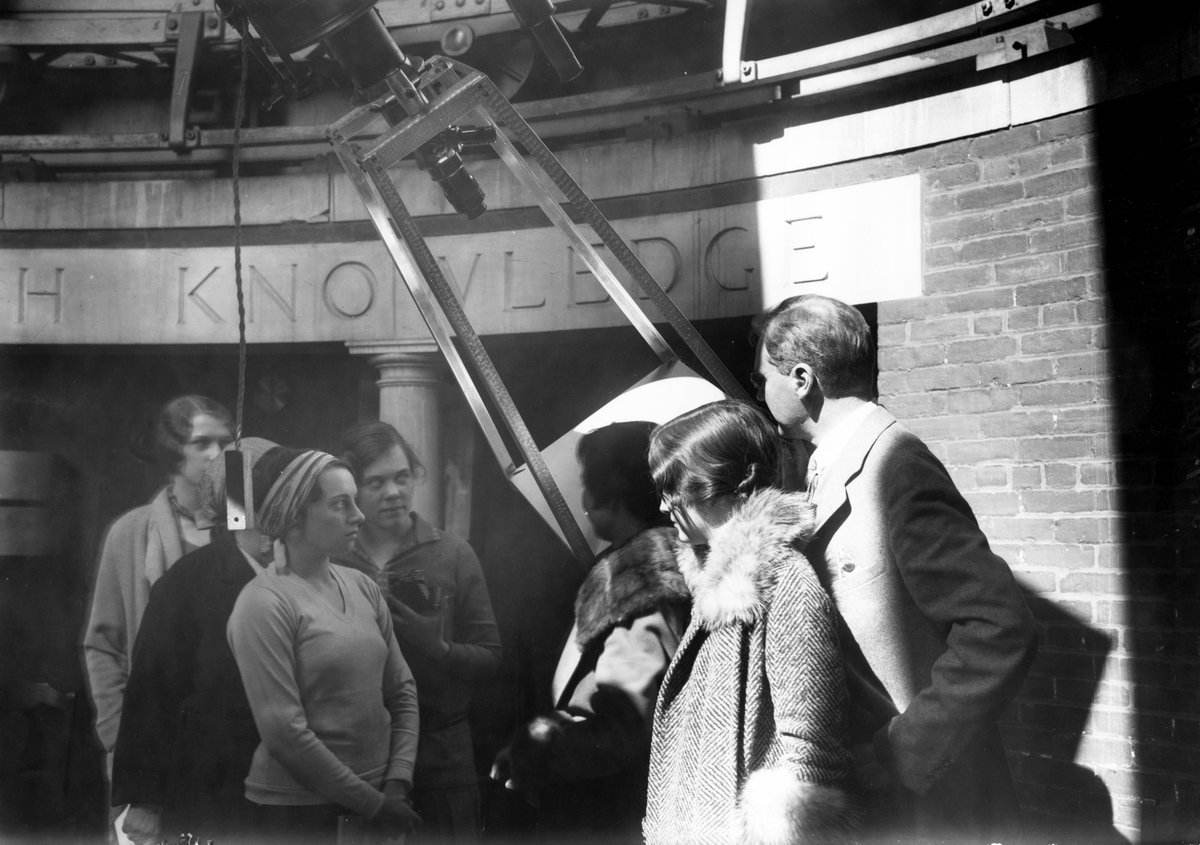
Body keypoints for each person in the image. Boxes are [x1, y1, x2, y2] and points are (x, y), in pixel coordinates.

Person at [752, 293, 1040, 842]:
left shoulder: (896, 466)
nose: (759, 390)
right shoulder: (826, 465)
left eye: (762, 376)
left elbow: (1000, 630)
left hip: (922, 808)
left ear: (802, 379)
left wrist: (901, 753)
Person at [642, 399, 855, 845]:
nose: (664, 507)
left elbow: (812, 749)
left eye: (673, 488)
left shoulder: (781, 577)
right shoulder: (715, 585)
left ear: (736, 480)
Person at [491, 421, 691, 843]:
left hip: (616, 813)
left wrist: (535, 755)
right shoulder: (644, 565)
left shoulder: (640, 582)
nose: (581, 499)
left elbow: (620, 728)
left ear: (611, 495)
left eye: (587, 483)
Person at [226, 447, 421, 845]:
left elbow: (402, 690)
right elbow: (284, 732)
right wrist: (374, 805)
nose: (359, 515)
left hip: (380, 801)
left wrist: (397, 782)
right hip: (298, 814)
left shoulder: (362, 585)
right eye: (340, 504)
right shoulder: (264, 603)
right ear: (296, 515)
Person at [337, 421, 501, 845]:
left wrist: (440, 649)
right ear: (350, 489)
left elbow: (491, 656)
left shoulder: (452, 553)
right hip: (358, 760)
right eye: (375, 482)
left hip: (440, 758)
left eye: (402, 477)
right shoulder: (333, 560)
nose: (393, 491)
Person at [110, 437, 277, 845]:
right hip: (212, 792)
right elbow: (151, 692)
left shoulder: (307, 576)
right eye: (274, 496)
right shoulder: (187, 583)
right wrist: (146, 800)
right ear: (240, 504)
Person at [83, 394, 233, 839]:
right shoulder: (130, 532)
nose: (218, 454)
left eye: (226, 443)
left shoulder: (246, 529)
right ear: (173, 451)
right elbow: (103, 645)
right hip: (148, 750)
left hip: (228, 747)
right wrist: (118, 737)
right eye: (203, 443)